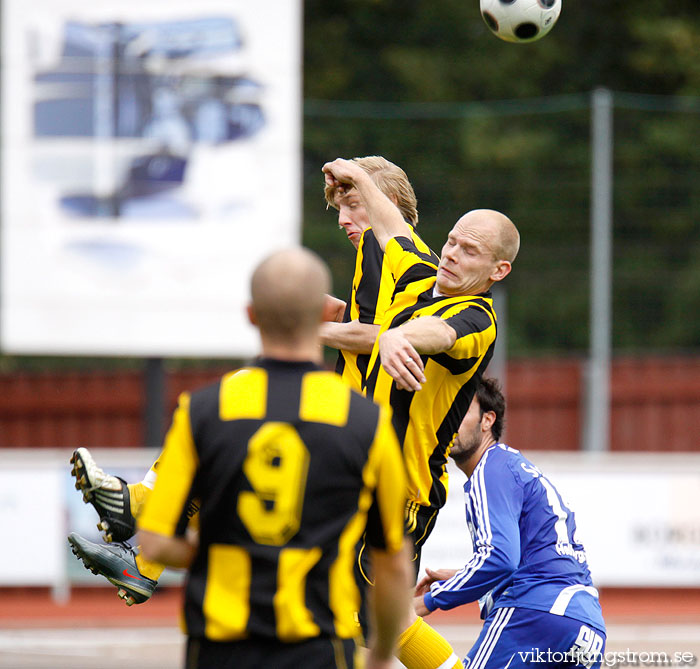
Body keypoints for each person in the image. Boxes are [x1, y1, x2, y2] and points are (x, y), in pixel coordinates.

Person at [71, 247, 412, 669]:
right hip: (321, 645)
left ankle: (135, 502)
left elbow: (157, 543)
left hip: (221, 645)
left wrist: (232, 551)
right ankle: (133, 502)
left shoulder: (202, 410)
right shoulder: (367, 423)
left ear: (251, 315)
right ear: (323, 321)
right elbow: (393, 562)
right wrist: (379, 656)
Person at [322, 158, 520, 669]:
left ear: (497, 272)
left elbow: (439, 335)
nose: (452, 254)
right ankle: (143, 539)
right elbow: (392, 228)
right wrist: (357, 177)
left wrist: (395, 336)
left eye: (469, 251)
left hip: (401, 490)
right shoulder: (422, 276)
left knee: (373, 618)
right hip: (353, 476)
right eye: (452, 240)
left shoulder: (476, 317)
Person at [414, 378, 607, 669]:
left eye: (460, 410)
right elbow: (533, 560)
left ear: (487, 420)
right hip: (586, 626)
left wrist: (428, 601)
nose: (448, 420)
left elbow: (499, 559)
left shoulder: (489, 470)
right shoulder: (513, 467)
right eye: (443, 411)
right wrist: (460, 575)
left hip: (536, 614)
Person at [320, 155, 438, 393]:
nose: (342, 220)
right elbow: (391, 321)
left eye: (353, 205)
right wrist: (343, 313)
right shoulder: (423, 253)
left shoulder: (376, 241)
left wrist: (299, 330)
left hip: (367, 412)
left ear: (389, 203)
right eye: (339, 209)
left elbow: (377, 336)